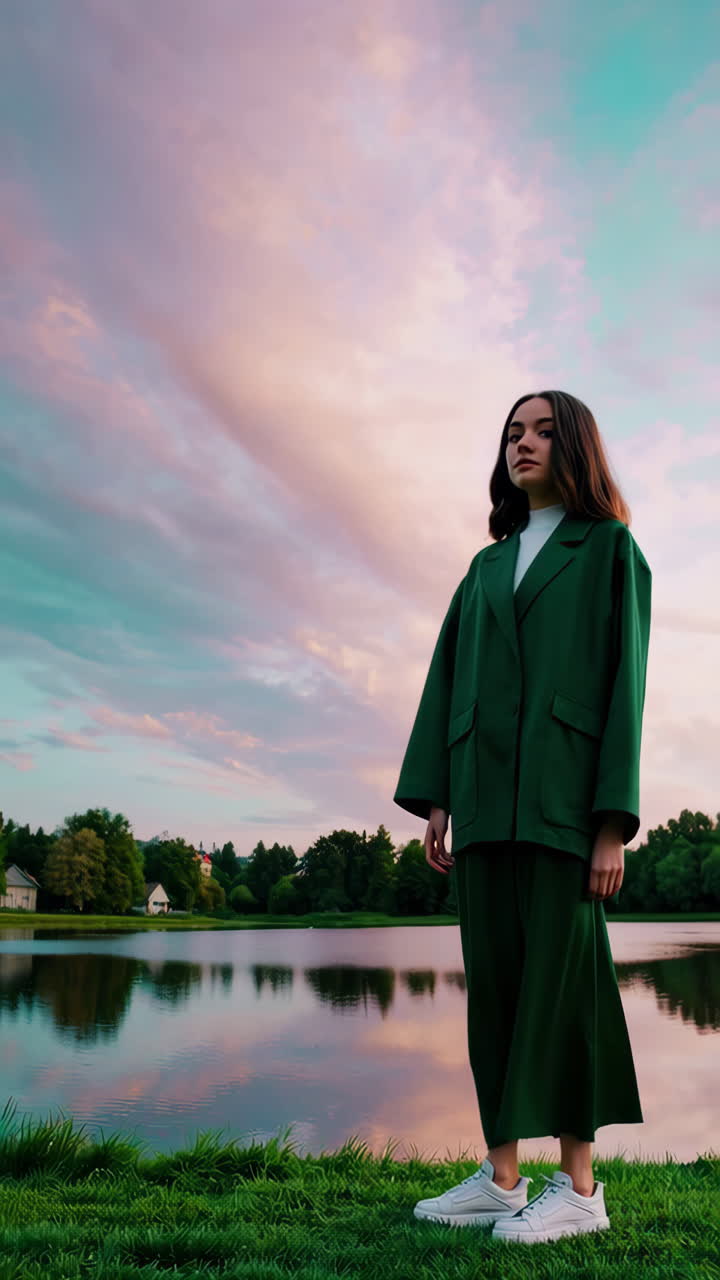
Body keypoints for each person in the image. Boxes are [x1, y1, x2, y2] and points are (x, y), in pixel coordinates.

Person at [393, 390, 652, 1245]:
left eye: (542, 430)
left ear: (574, 444)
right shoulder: (482, 568)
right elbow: (446, 677)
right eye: (512, 432)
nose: (523, 443)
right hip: (483, 802)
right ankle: (502, 1181)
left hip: (565, 804)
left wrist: (611, 821)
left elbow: (626, 687)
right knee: (494, 991)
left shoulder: (610, 550)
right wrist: (439, 796)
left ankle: (579, 1188)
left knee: (567, 990)